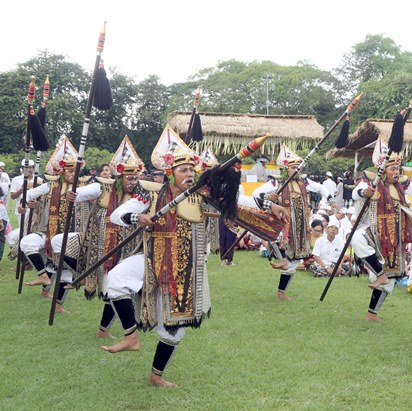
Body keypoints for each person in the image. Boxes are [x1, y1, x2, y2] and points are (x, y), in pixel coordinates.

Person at [102, 127, 282, 387]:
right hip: (151, 259)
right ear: (170, 173)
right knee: (116, 278)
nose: (189, 174)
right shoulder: (150, 192)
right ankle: (130, 336)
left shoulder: (202, 195)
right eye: (182, 170)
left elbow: (238, 200)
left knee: (173, 332)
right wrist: (139, 217)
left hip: (185, 269)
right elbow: (117, 215)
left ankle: (156, 375)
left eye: (191, 170)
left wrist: (270, 205)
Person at [352, 139, 412, 323]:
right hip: (375, 231)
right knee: (357, 238)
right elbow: (356, 192)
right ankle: (379, 273)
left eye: (397, 168)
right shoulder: (371, 180)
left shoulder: (403, 183)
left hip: (396, 235)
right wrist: (364, 193)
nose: (396, 172)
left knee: (390, 282)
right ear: (382, 169)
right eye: (392, 168)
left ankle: (372, 313)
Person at [67, 137, 145, 338]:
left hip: (130, 248)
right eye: (128, 178)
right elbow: (77, 193)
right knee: (111, 286)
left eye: (135, 178)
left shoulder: (142, 194)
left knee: (116, 286)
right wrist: (70, 193)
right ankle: (106, 329)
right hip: (103, 246)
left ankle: (105, 329)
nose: (132, 182)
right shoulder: (103, 188)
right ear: (118, 178)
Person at [20, 136, 91, 311]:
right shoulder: (51, 186)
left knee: (65, 273)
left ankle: (58, 305)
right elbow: (28, 195)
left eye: (75, 171)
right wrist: (26, 204)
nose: (73, 175)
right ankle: (43, 275)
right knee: (26, 242)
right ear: (61, 172)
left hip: (72, 237)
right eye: (69, 171)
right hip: (49, 233)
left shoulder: (83, 186)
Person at [252, 144, 332, 300]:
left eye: (298, 168)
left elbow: (322, 190)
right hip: (284, 223)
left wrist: (329, 201)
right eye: (292, 168)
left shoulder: (305, 183)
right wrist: (270, 198)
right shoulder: (277, 183)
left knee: (295, 262)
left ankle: (281, 291)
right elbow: (256, 193)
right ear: (285, 169)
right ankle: (281, 260)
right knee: (274, 238)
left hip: (301, 226)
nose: (296, 171)